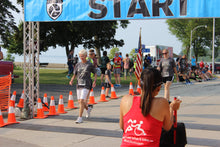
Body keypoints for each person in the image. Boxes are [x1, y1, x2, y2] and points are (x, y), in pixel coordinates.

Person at [119, 68, 182, 147]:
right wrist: (172, 108)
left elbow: (122, 126)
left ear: (139, 83)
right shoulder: (162, 103)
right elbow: (167, 127)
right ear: (159, 88)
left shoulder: (125, 100)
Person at [69, 49, 97, 124]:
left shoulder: (89, 65)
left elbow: (95, 73)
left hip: (87, 84)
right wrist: (71, 80)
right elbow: (74, 74)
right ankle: (88, 109)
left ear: (86, 56)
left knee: (81, 101)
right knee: (80, 101)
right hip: (79, 84)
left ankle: (80, 118)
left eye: (83, 56)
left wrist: (94, 81)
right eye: (80, 56)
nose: (81, 57)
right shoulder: (78, 64)